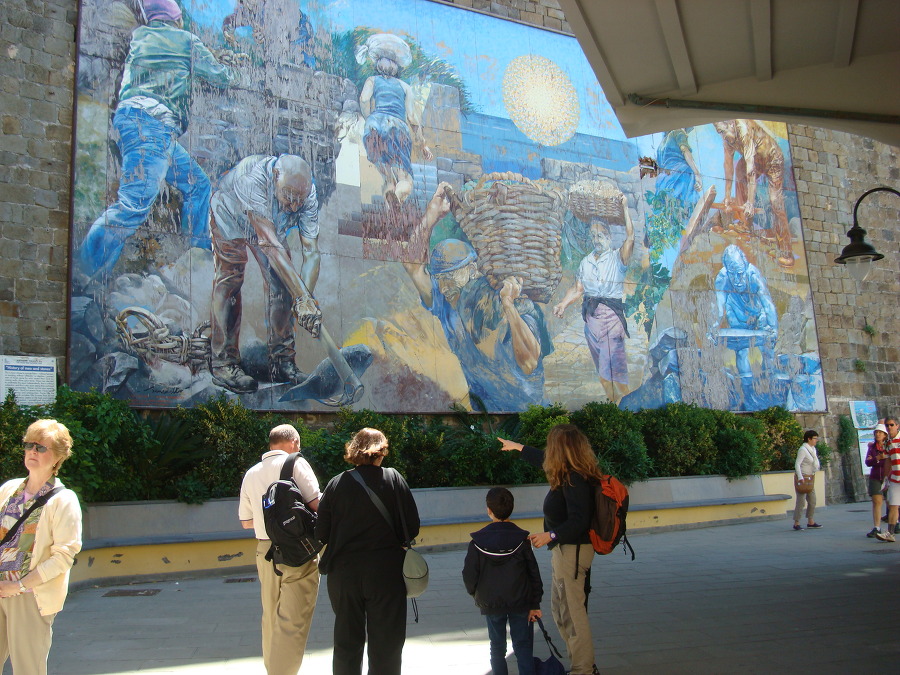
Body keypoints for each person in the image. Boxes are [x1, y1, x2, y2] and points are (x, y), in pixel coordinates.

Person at [78, 0, 239, 279]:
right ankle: (83, 271)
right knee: (132, 207)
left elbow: (169, 57)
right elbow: (221, 76)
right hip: (152, 126)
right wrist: (235, 67)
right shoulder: (186, 40)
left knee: (198, 184)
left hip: (136, 121)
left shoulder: (140, 36)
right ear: (176, 18)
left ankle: (199, 255)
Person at [403, 183, 554, 411]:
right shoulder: (446, 304)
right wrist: (433, 213)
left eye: (452, 275)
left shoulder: (504, 299)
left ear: (474, 270)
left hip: (528, 416)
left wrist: (509, 306)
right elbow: (412, 267)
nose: (445, 285)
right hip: (485, 416)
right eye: (441, 278)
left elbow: (529, 363)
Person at [209, 154, 322, 393]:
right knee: (230, 280)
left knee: (284, 285)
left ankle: (282, 363)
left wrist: (306, 301)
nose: (294, 207)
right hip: (229, 214)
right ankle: (224, 364)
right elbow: (268, 243)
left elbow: (311, 252)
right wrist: (302, 297)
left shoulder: (308, 193)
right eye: (289, 197)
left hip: (268, 227)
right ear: (275, 177)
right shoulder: (252, 179)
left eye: (299, 201)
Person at [315, 428, 420, 675]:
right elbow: (412, 527)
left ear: (354, 450)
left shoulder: (336, 484)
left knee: (346, 642)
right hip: (386, 573)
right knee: (387, 644)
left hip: (344, 574)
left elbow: (321, 532)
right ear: (381, 451)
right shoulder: (394, 479)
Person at [498, 425, 601, 675]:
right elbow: (543, 460)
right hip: (565, 551)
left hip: (573, 552)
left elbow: (579, 520)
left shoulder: (575, 479)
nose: (548, 450)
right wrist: (518, 447)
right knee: (560, 609)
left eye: (551, 445)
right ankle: (580, 664)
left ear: (560, 449)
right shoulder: (568, 472)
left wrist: (550, 535)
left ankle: (583, 669)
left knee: (572, 612)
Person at [0, 420, 82, 675]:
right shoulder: (9, 489)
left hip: (28, 595)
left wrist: (19, 585)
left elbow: (63, 557)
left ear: (57, 458)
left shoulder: (64, 500)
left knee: (28, 669)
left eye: (41, 447)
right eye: (29, 445)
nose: (32, 451)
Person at [238, 424, 321, 675]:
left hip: (265, 550)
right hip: (297, 549)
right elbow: (317, 504)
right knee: (294, 619)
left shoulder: (251, 473)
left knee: (271, 617)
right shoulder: (296, 463)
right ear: (294, 442)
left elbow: (246, 522)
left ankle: (272, 668)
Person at [554, 193, 635, 404]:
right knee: (602, 370)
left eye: (600, 235)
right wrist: (563, 304)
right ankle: (616, 405)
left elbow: (631, 238)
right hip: (591, 322)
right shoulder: (586, 262)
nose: (596, 240)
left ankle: (624, 405)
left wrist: (625, 208)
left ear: (609, 237)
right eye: (593, 236)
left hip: (611, 320)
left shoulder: (618, 258)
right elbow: (577, 289)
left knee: (614, 369)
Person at [463, 487, 543, 675]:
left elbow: (469, 575)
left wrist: (476, 594)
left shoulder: (477, 541)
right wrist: (535, 603)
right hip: (520, 601)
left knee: (497, 647)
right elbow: (533, 572)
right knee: (522, 645)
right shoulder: (522, 539)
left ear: (489, 510)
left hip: (491, 601)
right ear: (511, 509)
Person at [357, 33, 433, 207]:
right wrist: (423, 144)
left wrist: (370, 118)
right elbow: (412, 117)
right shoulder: (405, 87)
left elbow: (363, 99)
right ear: (396, 67)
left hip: (373, 129)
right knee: (405, 179)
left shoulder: (372, 80)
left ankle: (390, 210)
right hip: (396, 129)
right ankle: (397, 198)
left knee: (388, 179)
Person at [713, 119, 794, 267]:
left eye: (723, 131)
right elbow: (728, 166)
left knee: (776, 201)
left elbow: (750, 169)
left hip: (772, 159)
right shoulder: (727, 138)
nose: (723, 136)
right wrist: (727, 196)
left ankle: (786, 252)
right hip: (756, 160)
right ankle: (746, 224)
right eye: (720, 132)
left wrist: (750, 203)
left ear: (731, 124)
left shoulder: (743, 130)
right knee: (739, 170)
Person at [708, 245, 779, 410]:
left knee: (768, 348)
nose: (737, 279)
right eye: (732, 274)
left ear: (745, 266)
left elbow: (767, 303)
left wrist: (773, 328)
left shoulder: (753, 275)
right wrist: (712, 328)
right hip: (737, 311)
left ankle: (769, 386)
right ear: (727, 269)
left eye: (740, 273)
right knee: (741, 349)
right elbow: (719, 306)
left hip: (758, 312)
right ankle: (747, 394)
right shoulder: (722, 277)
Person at [876, 416, 900, 543]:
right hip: (895, 478)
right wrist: (885, 478)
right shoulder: (888, 443)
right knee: (893, 505)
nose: (889, 427)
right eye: (887, 425)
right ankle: (890, 533)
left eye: (891, 425)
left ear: (897, 426)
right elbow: (888, 460)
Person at [793, 430, 822, 531]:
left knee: (812, 500)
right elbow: (797, 464)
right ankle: (796, 522)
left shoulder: (813, 449)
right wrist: (800, 477)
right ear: (809, 439)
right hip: (803, 477)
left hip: (810, 477)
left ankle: (810, 521)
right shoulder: (803, 449)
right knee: (801, 501)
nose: (816, 440)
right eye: (814, 438)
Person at [865, 423, 890, 537]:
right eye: (876, 433)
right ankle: (877, 527)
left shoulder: (889, 446)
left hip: (888, 476)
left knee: (891, 501)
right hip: (875, 476)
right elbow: (868, 462)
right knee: (877, 501)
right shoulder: (872, 447)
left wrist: (877, 459)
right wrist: (878, 458)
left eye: (880, 432)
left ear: (885, 435)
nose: (878, 434)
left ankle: (895, 523)